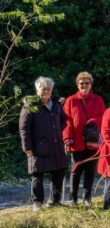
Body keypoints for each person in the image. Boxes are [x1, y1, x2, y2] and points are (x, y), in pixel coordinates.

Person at [19, 77, 68, 212]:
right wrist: (27, 146)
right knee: (37, 175)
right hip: (38, 146)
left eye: (48, 89)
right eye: (43, 88)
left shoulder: (56, 103)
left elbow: (63, 120)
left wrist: (56, 132)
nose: (46, 91)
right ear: (37, 89)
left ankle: (54, 201)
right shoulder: (31, 105)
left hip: (56, 145)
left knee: (60, 171)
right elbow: (24, 128)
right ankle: (37, 203)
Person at [63, 71, 105, 206]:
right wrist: (67, 137)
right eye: (82, 83)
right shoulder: (71, 100)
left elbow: (104, 117)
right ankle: (73, 198)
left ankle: (87, 198)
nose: (84, 86)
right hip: (76, 140)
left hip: (92, 141)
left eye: (87, 83)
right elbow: (66, 120)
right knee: (76, 170)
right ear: (77, 85)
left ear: (91, 85)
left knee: (90, 170)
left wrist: (94, 121)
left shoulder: (98, 100)